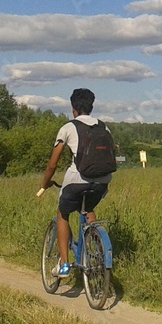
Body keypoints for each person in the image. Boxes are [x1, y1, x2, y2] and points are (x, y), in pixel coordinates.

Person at [36, 87, 113, 277]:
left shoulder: (68, 127)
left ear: (73, 108)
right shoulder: (104, 127)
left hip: (77, 179)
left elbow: (52, 164)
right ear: (91, 106)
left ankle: (64, 264)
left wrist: (44, 183)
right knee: (88, 209)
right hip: (103, 181)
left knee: (63, 213)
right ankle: (95, 251)